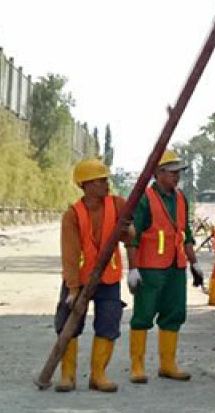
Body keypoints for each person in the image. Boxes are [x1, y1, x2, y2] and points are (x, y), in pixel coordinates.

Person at [54, 159, 135, 393]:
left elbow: (131, 237)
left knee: (108, 323)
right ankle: (67, 375)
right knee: (68, 323)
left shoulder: (118, 204)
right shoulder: (72, 215)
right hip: (78, 280)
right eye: (100, 180)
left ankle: (98, 375)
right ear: (86, 185)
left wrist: (127, 230)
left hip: (108, 278)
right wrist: (72, 288)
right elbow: (69, 254)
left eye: (105, 179)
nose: (106, 183)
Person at [125, 151, 204, 383]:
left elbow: (185, 234)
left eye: (178, 173)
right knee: (143, 315)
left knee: (174, 314)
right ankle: (137, 366)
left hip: (176, 267)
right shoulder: (144, 198)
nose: (176, 177)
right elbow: (132, 236)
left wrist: (194, 263)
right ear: (158, 174)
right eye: (172, 173)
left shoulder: (180, 199)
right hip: (150, 268)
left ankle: (168, 364)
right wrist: (132, 268)